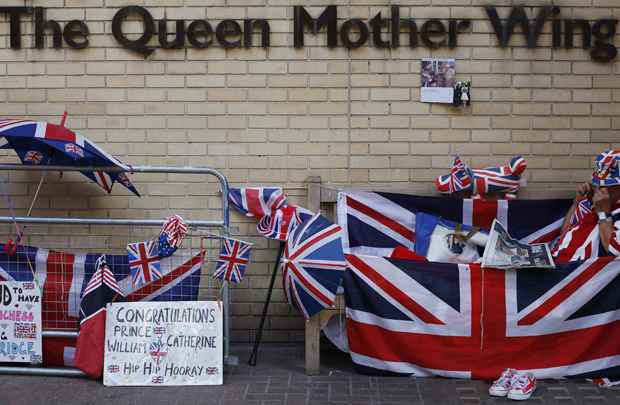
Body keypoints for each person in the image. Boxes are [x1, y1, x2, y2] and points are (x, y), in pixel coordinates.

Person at [553, 150, 620, 263]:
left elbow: (615, 250)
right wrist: (577, 202)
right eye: (597, 184)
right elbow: (564, 234)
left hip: (574, 273)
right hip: (557, 259)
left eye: (606, 185)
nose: (599, 188)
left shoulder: (606, 207)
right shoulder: (593, 202)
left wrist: (603, 213)